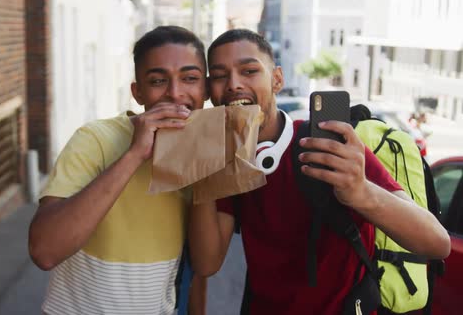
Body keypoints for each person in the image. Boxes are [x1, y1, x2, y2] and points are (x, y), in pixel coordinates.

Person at [188, 29, 451, 315]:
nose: (233, 84)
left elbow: (436, 243)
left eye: (249, 70)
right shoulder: (228, 163)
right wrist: (203, 170)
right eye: (219, 75)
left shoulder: (331, 144)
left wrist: (360, 191)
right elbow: (206, 263)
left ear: (277, 80)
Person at [29, 26, 208, 315]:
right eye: (158, 80)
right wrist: (135, 154)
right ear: (137, 93)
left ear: (206, 89)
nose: (175, 93)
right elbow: (44, 251)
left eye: (190, 79)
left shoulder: (203, 155)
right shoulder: (94, 139)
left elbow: (197, 271)